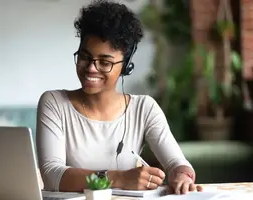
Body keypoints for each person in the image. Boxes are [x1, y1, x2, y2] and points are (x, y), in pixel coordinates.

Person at [36, 0, 203, 195]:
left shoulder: (144, 108)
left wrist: (181, 175)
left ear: (125, 67)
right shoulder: (54, 103)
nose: (91, 68)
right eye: (84, 57)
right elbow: (52, 175)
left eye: (105, 62)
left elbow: (178, 163)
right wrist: (119, 178)